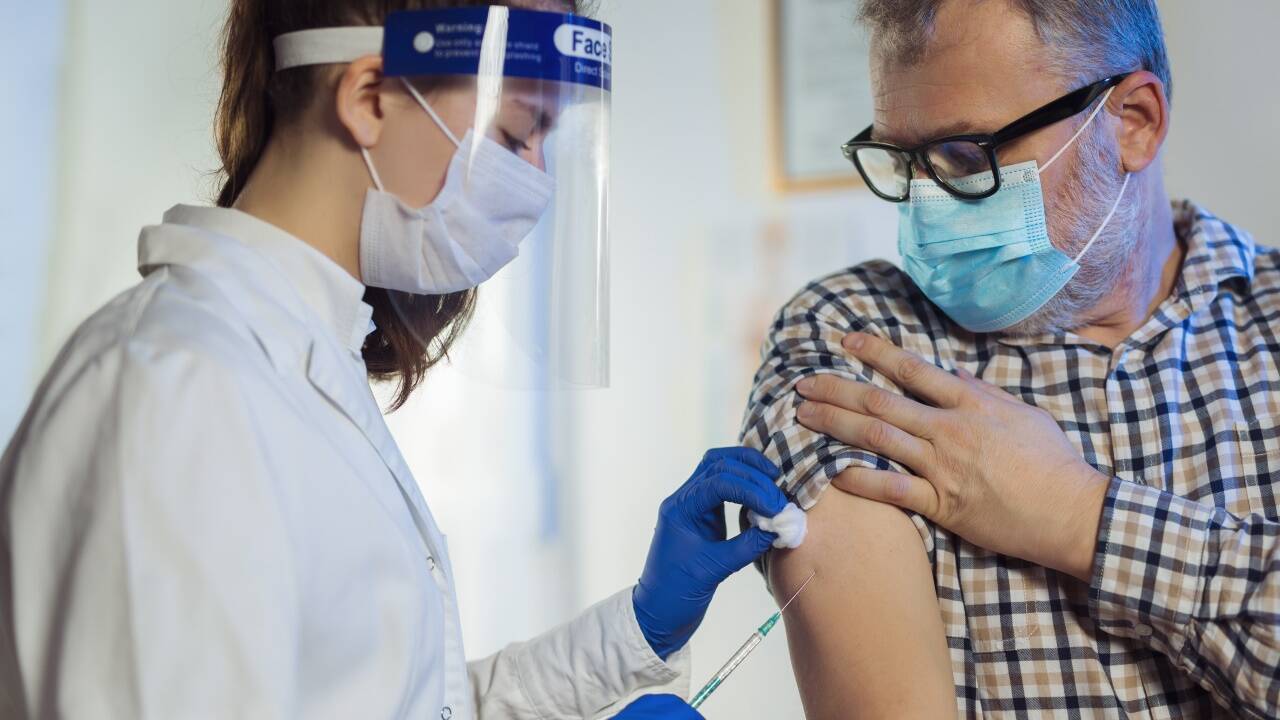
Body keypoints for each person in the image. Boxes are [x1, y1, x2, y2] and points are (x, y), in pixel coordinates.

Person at [0, 3, 790, 718]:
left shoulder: (296, 361)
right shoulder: (178, 391)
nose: (537, 180)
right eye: (516, 135)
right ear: (370, 96)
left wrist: (640, 627)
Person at [741, 0, 1278, 718]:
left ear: (1134, 121)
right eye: (902, 160)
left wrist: (1080, 517)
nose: (927, 205)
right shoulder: (856, 339)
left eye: (967, 156)